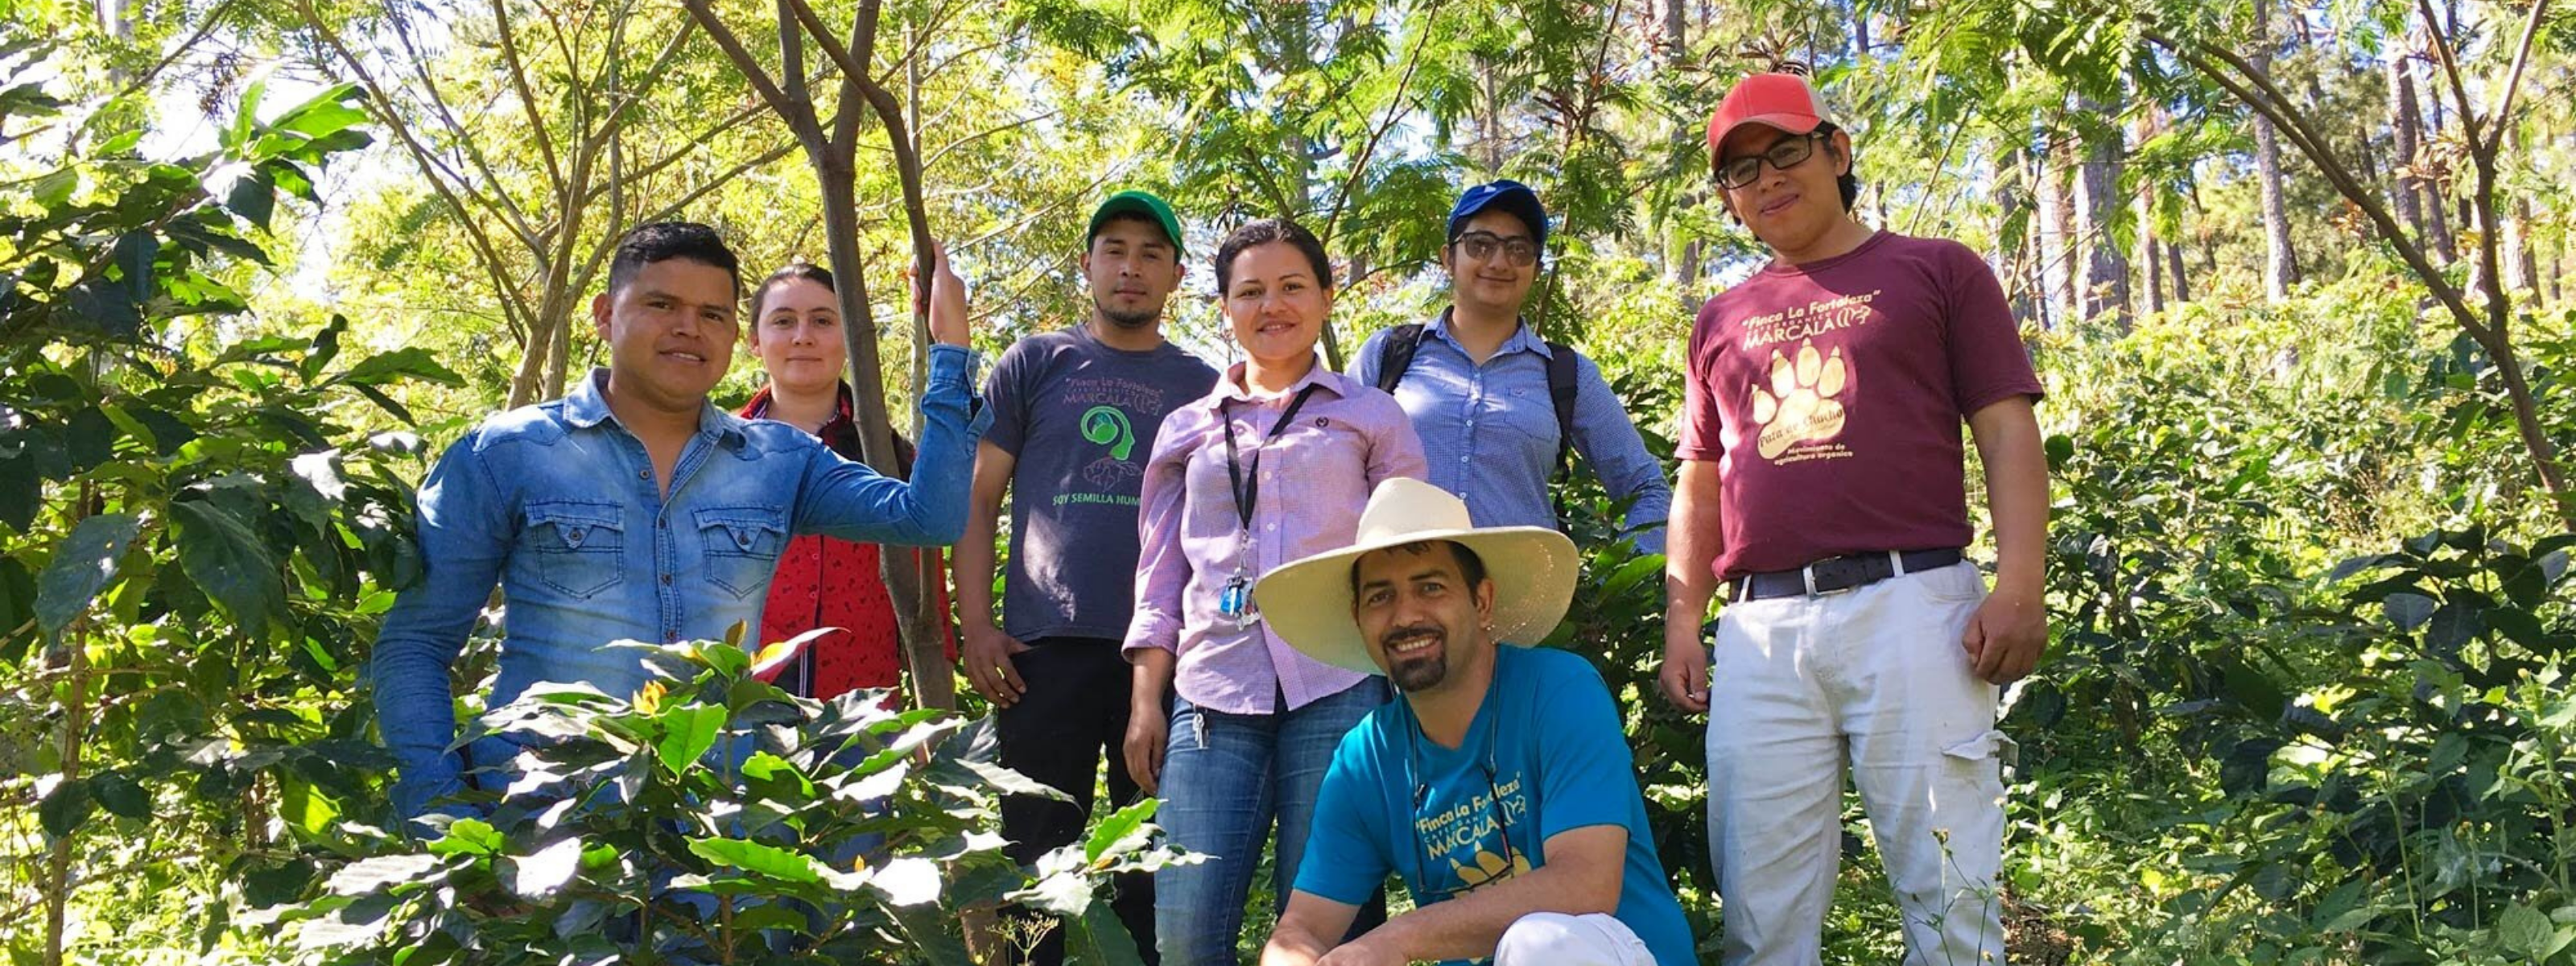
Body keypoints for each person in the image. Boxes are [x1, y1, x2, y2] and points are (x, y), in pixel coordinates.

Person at [373, 221, 986, 828]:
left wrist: (950, 349)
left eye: (713, 314)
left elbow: (927, 518)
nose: (688, 328)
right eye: (661, 304)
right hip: (542, 826)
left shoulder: (777, 461)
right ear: (605, 315)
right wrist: (443, 816)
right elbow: (415, 645)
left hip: (719, 838)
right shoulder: (507, 453)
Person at [1654, 72, 2049, 965]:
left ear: (1836, 151)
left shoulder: (1936, 270)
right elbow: (1700, 482)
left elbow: (2003, 427)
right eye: (1739, 171)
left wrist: (2021, 582)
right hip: (1759, 630)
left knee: (1951, 900)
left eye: (1783, 151)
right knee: (1760, 908)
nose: (1764, 180)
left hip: (1914, 606)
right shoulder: (1721, 317)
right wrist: (1684, 617)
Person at [1123, 218, 1427, 964]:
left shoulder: (1370, 415)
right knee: (1186, 932)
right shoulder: (1187, 428)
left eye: (1293, 287)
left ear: (1326, 297)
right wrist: (1144, 701)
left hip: (1339, 683)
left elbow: (1407, 557)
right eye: (1250, 291)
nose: (1273, 306)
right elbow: (1161, 573)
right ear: (1224, 309)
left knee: (1328, 927)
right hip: (1210, 690)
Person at [1252, 478, 1698, 966]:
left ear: (1482, 601)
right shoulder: (1366, 760)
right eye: (1380, 597)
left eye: (1431, 587)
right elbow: (1303, 929)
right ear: (1358, 618)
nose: (1405, 616)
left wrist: (1394, 939)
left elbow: (1584, 884)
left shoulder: (1558, 690)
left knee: (1539, 944)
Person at [954, 190, 1217, 964]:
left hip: (1160, 654)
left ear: (1175, 274)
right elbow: (978, 497)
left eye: (1150, 253)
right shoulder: (1037, 363)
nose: (1130, 268)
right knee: (1033, 860)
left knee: (1151, 865)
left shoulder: (1203, 386)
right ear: (1088, 265)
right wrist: (976, 626)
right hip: (1042, 651)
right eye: (1115, 250)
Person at [1349, 180, 1670, 553]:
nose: (1499, 262)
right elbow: (1331, 465)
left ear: (1536, 269)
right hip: (1399, 595)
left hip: (1523, 603)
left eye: (1519, 250)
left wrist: (1626, 576)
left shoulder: (1567, 374)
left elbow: (1645, 486)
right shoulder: (1389, 354)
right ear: (1448, 258)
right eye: (1480, 244)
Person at [737, 261, 953, 701]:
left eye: (822, 320)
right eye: (783, 321)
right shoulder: (715, 452)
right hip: (736, 717)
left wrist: (929, 725)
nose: (803, 336)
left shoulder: (891, 458)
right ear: (754, 341)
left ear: (850, 336)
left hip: (861, 714)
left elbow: (928, 607)